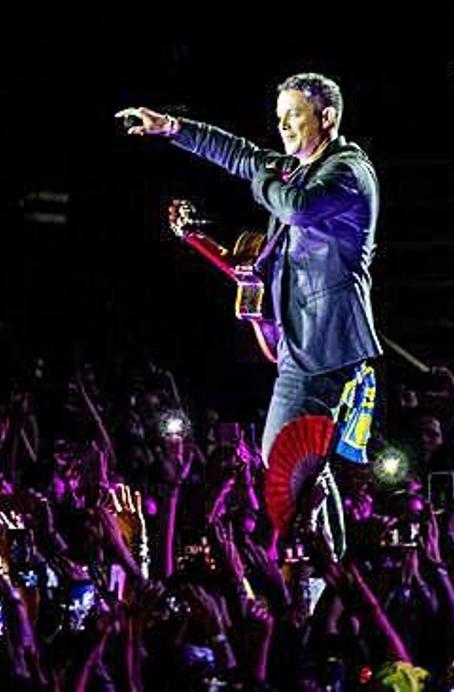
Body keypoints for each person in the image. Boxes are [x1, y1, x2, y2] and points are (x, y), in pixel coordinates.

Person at [117, 72, 382, 555]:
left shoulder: (348, 172)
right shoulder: (297, 168)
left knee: (283, 453)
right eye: (279, 116)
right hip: (301, 338)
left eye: (294, 115)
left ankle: (323, 561)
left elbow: (296, 208)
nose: (283, 125)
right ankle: (327, 556)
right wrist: (173, 127)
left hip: (326, 340)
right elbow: (237, 152)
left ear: (326, 117)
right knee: (291, 457)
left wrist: (262, 177)